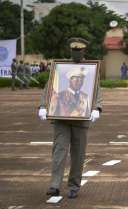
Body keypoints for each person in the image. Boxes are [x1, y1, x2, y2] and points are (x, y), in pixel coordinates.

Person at [38, 37, 102, 199]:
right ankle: (54, 184)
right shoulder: (60, 68)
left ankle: (74, 186)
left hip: (81, 122)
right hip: (61, 120)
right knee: (59, 152)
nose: (78, 81)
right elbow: (48, 89)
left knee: (78, 154)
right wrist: (43, 106)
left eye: (78, 52)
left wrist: (96, 108)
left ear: (83, 52)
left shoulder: (91, 69)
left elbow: (97, 91)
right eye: (74, 52)